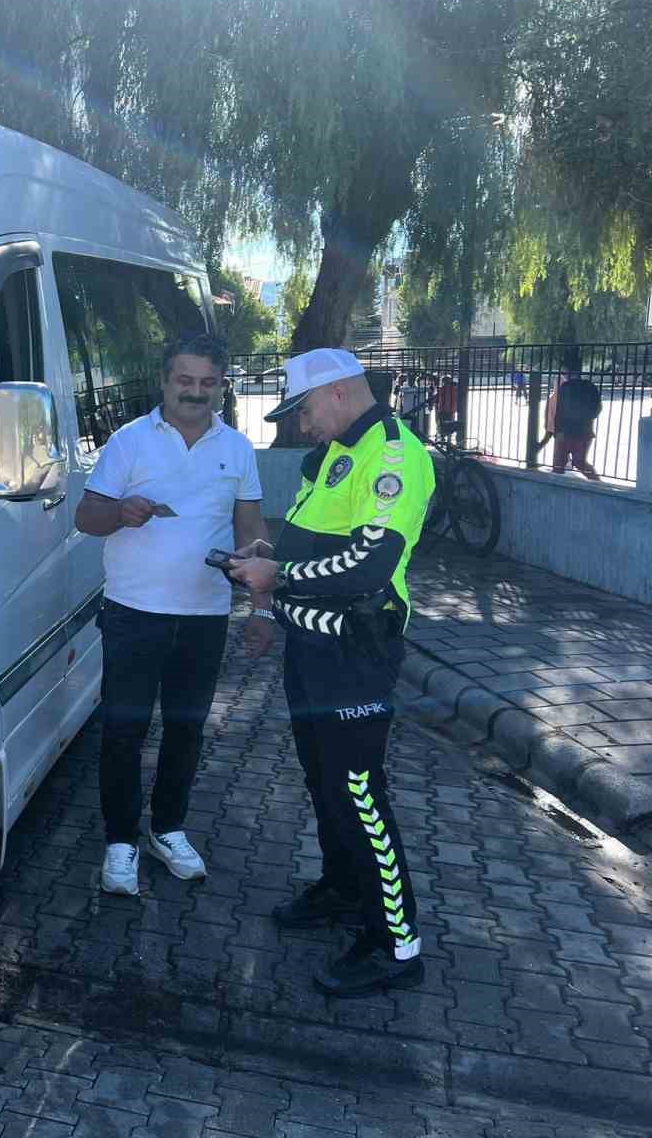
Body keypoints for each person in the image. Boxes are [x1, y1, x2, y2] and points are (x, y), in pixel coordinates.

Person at [229, 347, 434, 997]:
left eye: (305, 409)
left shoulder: (394, 454)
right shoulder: (336, 451)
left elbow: (370, 563)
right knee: (326, 784)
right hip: (311, 650)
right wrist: (269, 554)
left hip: (354, 656)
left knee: (362, 796)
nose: (301, 424)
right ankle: (345, 890)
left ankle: (397, 945)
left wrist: (279, 574)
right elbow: (319, 538)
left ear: (340, 391)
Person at [74, 331, 275, 897]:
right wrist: (120, 511)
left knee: (185, 732)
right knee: (123, 731)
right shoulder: (129, 441)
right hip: (133, 613)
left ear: (221, 386)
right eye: (184, 380)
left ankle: (167, 830)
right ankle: (120, 841)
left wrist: (262, 609)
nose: (195, 391)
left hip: (205, 616)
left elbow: (251, 530)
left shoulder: (237, 448)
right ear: (164, 381)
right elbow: (85, 517)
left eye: (208, 382)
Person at [545, 353, 602, 480]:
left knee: (558, 465)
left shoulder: (565, 388)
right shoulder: (590, 386)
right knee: (580, 462)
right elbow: (597, 408)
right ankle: (598, 483)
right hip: (584, 431)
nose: (562, 375)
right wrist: (586, 418)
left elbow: (559, 412)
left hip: (565, 432)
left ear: (567, 372)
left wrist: (555, 431)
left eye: (563, 373)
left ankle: (556, 488)